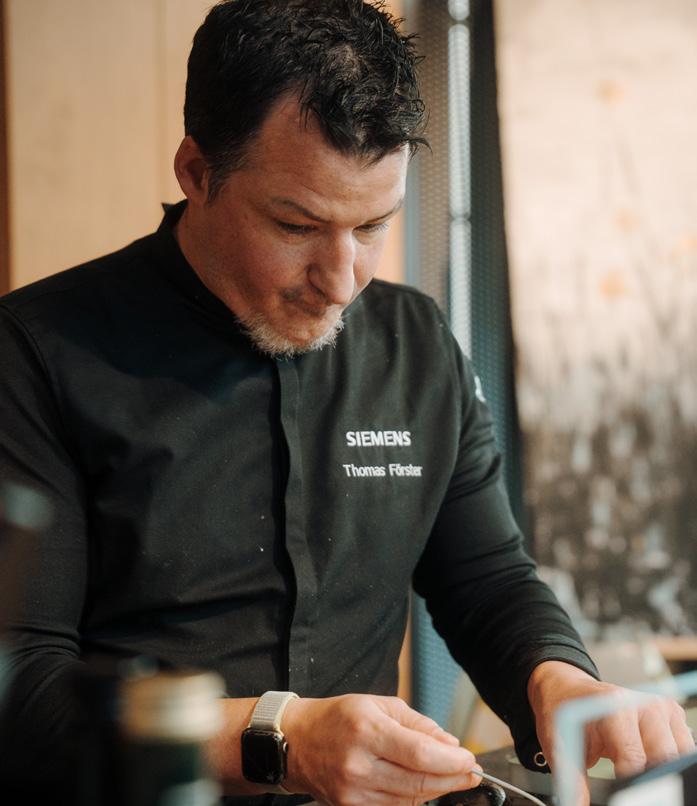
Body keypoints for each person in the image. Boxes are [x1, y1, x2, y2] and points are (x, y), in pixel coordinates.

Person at [0, 1, 692, 804]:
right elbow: (20, 686)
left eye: (371, 227)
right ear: (196, 172)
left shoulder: (414, 343)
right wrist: (281, 738)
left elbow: (486, 580)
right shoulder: (36, 352)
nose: (339, 282)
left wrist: (560, 679)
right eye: (296, 225)